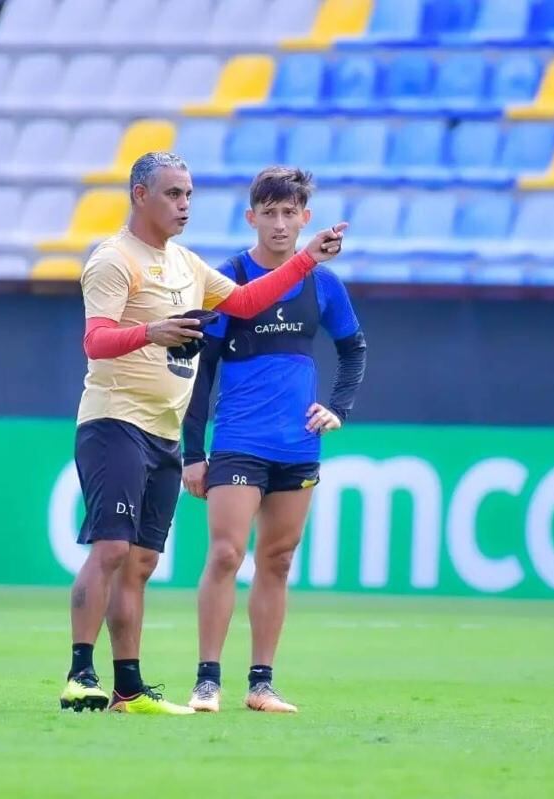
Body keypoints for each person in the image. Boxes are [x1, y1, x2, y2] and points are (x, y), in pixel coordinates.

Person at [60, 152, 349, 715]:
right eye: (173, 194)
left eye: (189, 194)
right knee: (113, 548)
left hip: (162, 429)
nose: (185, 205)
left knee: (141, 561)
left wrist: (307, 260)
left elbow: (245, 300)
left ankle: (128, 689)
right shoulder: (113, 260)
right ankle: (80, 674)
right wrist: (152, 331)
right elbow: (94, 341)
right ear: (140, 195)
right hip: (115, 419)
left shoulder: (188, 265)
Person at [181, 167, 367, 714]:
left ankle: (261, 684)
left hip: (298, 444)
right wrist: (194, 453)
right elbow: (200, 369)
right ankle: (207, 680)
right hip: (239, 440)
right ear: (251, 217)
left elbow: (353, 348)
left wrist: (337, 407)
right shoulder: (228, 280)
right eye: (270, 212)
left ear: (305, 217)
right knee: (225, 554)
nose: (280, 224)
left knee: (279, 559)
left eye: (290, 213)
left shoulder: (323, 285)